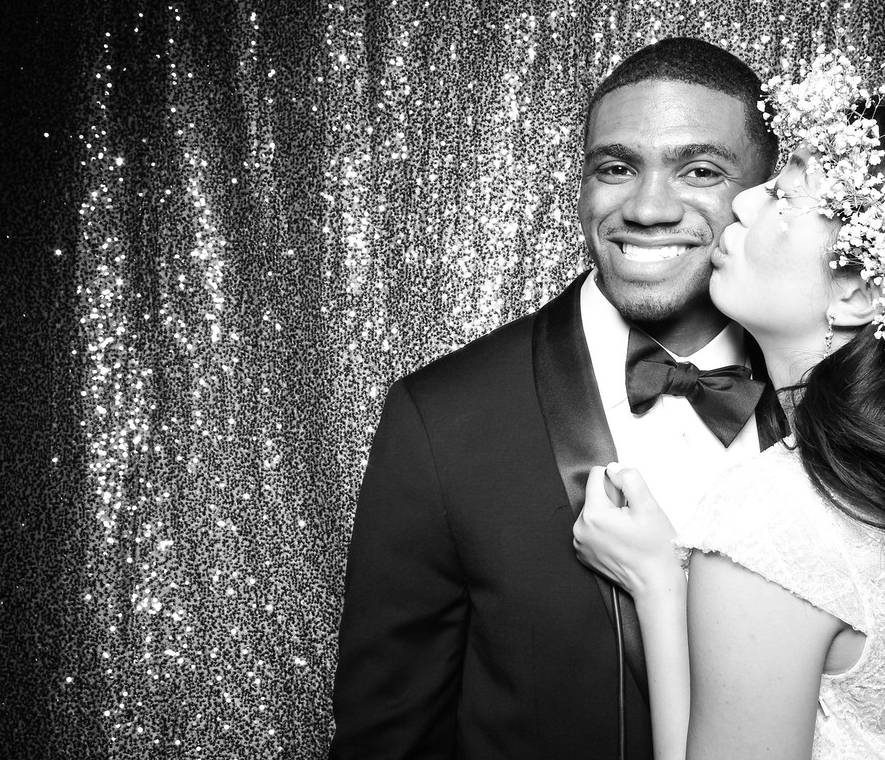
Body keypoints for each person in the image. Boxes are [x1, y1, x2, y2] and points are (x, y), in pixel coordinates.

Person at [574, 54, 885, 759]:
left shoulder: (773, 524)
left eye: (783, 198)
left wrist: (661, 588)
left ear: (854, 293)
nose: (744, 203)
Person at [329, 37, 785, 760]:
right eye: (616, 168)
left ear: (766, 195)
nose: (648, 208)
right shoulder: (442, 417)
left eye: (700, 170)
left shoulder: (839, 398)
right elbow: (387, 739)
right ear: (581, 187)